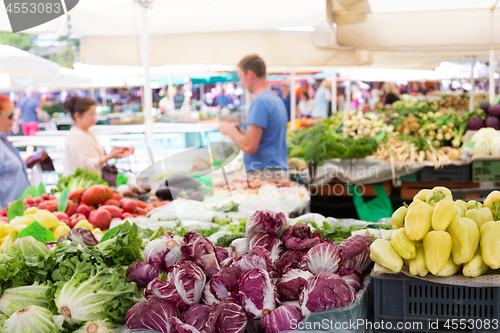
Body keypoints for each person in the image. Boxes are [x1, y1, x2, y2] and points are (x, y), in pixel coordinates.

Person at [218, 54, 289, 179]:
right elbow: (267, 138)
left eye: (241, 77)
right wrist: (241, 132)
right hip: (277, 172)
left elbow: (250, 147)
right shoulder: (275, 99)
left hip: (264, 174)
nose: (241, 82)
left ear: (250, 75)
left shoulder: (259, 102)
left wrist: (229, 130)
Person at [63, 96, 132, 177]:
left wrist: (114, 153)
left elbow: (96, 157)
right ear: (77, 116)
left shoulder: (88, 132)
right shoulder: (75, 136)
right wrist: (109, 157)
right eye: (91, 114)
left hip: (93, 182)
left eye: (95, 114)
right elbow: (85, 164)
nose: (94, 118)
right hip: (82, 185)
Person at [0, 95, 30, 207]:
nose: (14, 119)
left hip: (15, 215)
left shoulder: (3, 139)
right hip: (6, 217)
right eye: (10, 115)